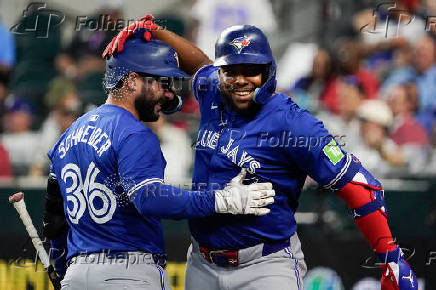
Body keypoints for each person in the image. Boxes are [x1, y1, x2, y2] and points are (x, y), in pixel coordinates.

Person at [106, 15, 419, 290]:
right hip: (201, 262)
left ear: (267, 71)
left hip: (265, 266)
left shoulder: (292, 121)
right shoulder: (215, 90)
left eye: (251, 70)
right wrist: (152, 30)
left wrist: (390, 256)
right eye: (232, 70)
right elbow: (199, 64)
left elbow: (360, 186)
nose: (241, 80)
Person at [43, 28, 275, 290]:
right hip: (128, 274)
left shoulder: (69, 134)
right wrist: (221, 200)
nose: (169, 94)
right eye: (162, 83)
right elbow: (149, 197)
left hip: (77, 276)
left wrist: (62, 271)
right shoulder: (133, 131)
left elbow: (54, 217)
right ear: (132, 80)